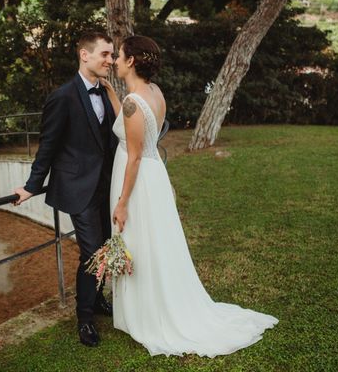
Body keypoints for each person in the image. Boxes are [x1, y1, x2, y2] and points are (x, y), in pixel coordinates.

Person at [102, 35, 278, 357]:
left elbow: (134, 154)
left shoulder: (133, 102)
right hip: (154, 177)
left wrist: (123, 202)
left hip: (136, 180)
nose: (114, 60)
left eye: (119, 55)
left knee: (140, 243)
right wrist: (112, 92)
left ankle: (148, 315)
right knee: (157, 243)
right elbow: (132, 128)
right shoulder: (153, 93)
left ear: (130, 61)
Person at [13, 31, 117, 347]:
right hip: (77, 188)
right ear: (84, 55)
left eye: (112, 56)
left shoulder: (108, 94)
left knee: (108, 246)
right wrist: (33, 185)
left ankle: (97, 299)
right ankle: (84, 318)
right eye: (105, 55)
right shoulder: (63, 96)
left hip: (107, 185)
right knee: (93, 252)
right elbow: (48, 145)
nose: (110, 61)